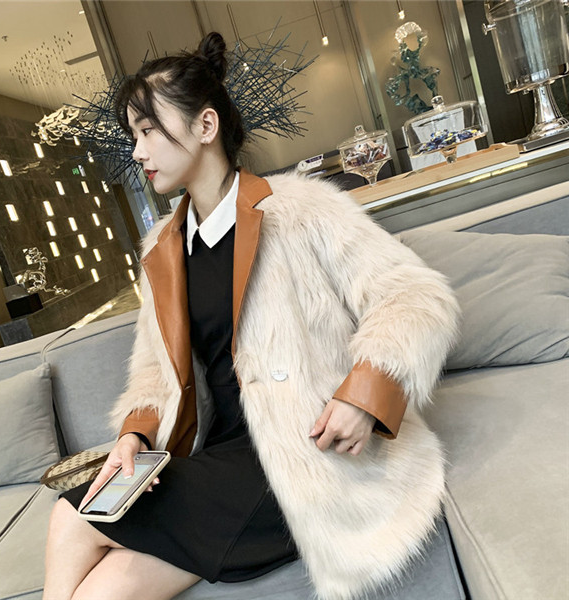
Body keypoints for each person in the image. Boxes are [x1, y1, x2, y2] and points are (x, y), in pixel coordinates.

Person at [44, 32, 459, 600]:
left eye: (148, 130)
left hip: (304, 455)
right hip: (222, 460)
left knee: (70, 518)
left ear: (205, 126)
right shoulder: (163, 248)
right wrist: (133, 435)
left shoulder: (301, 208)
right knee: (104, 590)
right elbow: (152, 372)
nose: (138, 152)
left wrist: (365, 395)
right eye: (133, 135)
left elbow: (414, 296)